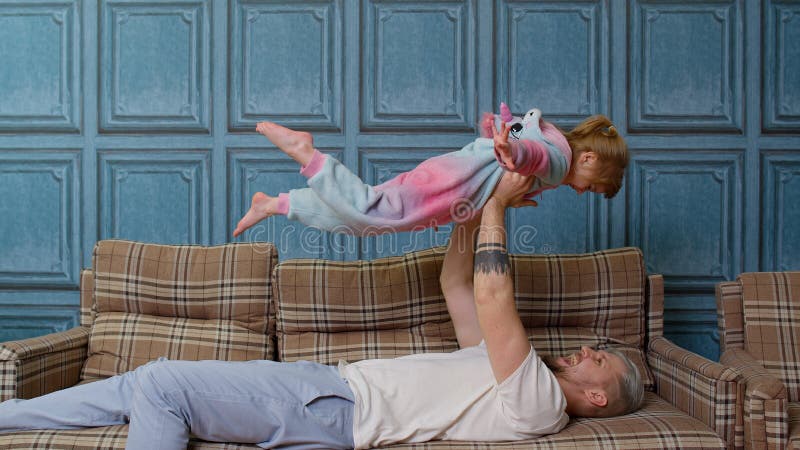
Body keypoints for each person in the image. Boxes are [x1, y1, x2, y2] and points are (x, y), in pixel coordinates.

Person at [0, 174, 643, 450]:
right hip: (327, 391)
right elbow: (458, 282)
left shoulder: (538, 400)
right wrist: (468, 205)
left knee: (164, 383)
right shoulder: (509, 375)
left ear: (598, 399)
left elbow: (493, 294)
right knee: (142, 384)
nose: (589, 350)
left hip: (335, 408)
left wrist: (500, 203)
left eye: (602, 361)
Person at [232, 103, 628, 237]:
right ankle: (309, 155)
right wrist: (512, 151)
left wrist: (498, 140)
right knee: (374, 211)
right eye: (592, 188)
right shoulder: (557, 161)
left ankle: (278, 204)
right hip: (451, 183)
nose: (582, 192)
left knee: (367, 221)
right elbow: (533, 158)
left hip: (451, 184)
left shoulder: (549, 138)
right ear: (589, 159)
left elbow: (520, 152)